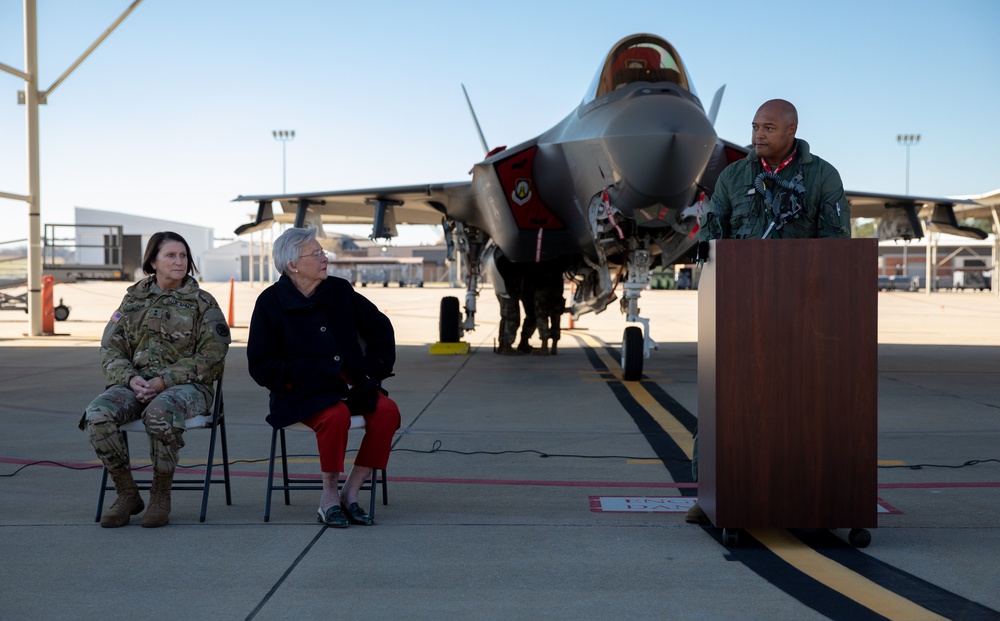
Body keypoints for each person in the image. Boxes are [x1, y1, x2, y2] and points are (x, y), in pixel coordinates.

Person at [688, 99, 851, 524]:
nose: (759, 135)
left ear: (792, 130)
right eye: (756, 126)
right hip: (739, 311)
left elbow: (837, 245)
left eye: (769, 128)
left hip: (803, 316)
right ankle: (710, 493)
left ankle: (808, 493)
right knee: (723, 402)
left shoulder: (822, 177)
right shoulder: (733, 176)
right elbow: (709, 239)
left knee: (802, 404)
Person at [247, 227, 400, 528]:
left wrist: (372, 369)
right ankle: (328, 497)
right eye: (315, 253)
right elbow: (261, 364)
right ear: (292, 265)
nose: (324, 257)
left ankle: (351, 490)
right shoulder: (271, 302)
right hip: (299, 391)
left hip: (349, 384)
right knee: (335, 415)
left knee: (387, 411)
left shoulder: (339, 290)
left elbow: (379, 327)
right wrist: (303, 376)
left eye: (322, 251)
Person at [81, 232, 230, 528]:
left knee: (160, 411)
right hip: (135, 385)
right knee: (97, 415)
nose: (179, 261)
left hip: (188, 388)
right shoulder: (133, 299)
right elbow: (111, 348)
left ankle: (160, 494)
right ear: (153, 261)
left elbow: (214, 353)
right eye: (171, 255)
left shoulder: (202, 302)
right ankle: (127, 494)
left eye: (183, 256)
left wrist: (166, 379)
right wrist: (130, 378)